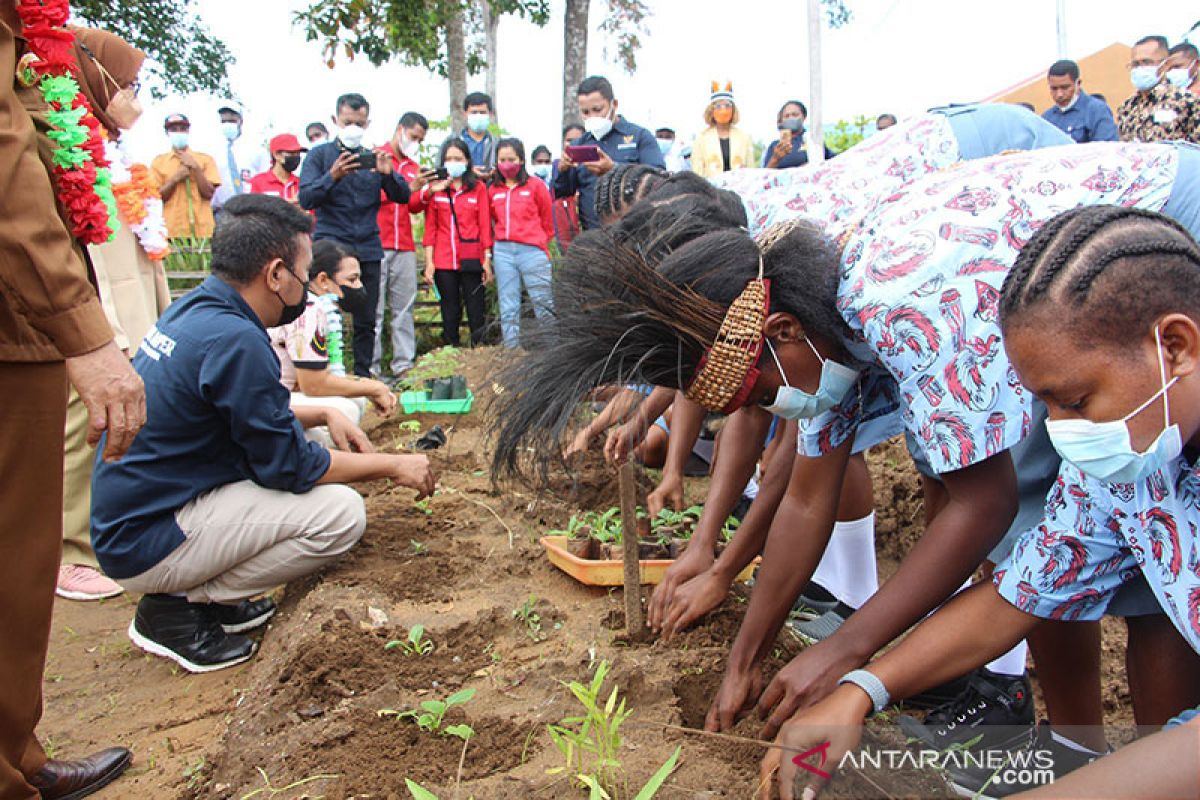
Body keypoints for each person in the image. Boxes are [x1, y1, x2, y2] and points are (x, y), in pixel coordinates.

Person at [495, 137, 1200, 790]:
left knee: (1137, 559)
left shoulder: (908, 303)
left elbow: (985, 504)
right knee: (1107, 523)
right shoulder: (823, 327)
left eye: (765, 395)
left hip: (1141, 242)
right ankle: (1093, 746)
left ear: (782, 334)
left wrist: (847, 651)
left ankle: (1081, 737)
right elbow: (814, 500)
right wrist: (796, 666)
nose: (1053, 426)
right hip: (1082, 314)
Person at [759, 206, 1200, 800]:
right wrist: (860, 690)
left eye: (1074, 399)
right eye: (1047, 404)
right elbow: (1023, 592)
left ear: (1175, 345)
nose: (1060, 429)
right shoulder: (1125, 470)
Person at [91, 194, 435, 674]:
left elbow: (243, 409)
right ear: (276, 274)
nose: (305, 286)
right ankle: (177, 606)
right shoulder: (238, 339)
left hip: (140, 512)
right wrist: (394, 465)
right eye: (301, 272)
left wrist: (320, 415)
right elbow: (292, 468)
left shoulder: (197, 311)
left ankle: (206, 597)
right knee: (339, 514)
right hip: (148, 538)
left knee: (315, 438)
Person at [1, 6, 147, 797]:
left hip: (32, 321)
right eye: (125, 88)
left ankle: (17, 754)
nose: (133, 103)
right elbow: (9, 171)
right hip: (19, 321)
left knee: (18, 570)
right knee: (15, 561)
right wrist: (83, 333)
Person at [59, 26, 170, 602]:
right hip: (95, 321)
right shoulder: (66, 150)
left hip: (131, 314)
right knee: (82, 425)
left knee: (112, 428)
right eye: (126, 84)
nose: (135, 96)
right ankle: (68, 550)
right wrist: (102, 331)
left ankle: (96, 537)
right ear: (91, 78)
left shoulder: (118, 154)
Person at [299, 92, 410, 378]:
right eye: (348, 121)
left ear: (367, 123)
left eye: (359, 123)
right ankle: (318, 373)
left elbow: (403, 197)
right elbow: (307, 198)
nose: (353, 128)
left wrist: (387, 175)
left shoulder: (374, 158)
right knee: (319, 312)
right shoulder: (319, 156)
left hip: (368, 247)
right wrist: (332, 176)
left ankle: (363, 375)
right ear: (336, 120)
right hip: (329, 246)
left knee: (366, 317)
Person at [269, 239, 397, 445]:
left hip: (285, 395)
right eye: (352, 279)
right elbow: (313, 385)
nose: (359, 287)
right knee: (345, 409)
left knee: (356, 399)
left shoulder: (312, 304)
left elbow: (320, 376)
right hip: (270, 401)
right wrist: (372, 388)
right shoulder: (309, 310)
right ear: (323, 280)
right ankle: (316, 452)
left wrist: (367, 385)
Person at [554, 75, 665, 230]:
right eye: (585, 112)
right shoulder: (579, 144)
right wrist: (563, 170)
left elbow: (659, 180)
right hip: (594, 237)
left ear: (614, 104)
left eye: (597, 110)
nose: (592, 116)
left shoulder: (640, 136)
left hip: (635, 231)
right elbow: (563, 193)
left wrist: (614, 170)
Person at [416, 138, 492, 347]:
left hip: (471, 258)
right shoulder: (437, 189)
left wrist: (486, 259)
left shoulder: (478, 189)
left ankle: (479, 352)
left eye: (458, 158)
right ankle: (451, 352)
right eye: (448, 158)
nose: (453, 162)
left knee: (476, 308)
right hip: (443, 260)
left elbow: (485, 226)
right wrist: (429, 263)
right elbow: (430, 228)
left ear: (467, 160)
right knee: (450, 310)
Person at [373, 111, 430, 382]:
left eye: (420, 139)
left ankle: (403, 365)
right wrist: (407, 186)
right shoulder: (377, 158)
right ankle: (371, 368)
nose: (415, 142)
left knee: (404, 308)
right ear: (400, 130)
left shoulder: (412, 165)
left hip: (404, 244)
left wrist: (425, 191)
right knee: (374, 309)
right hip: (377, 241)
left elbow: (413, 205)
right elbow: (374, 196)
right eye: (413, 136)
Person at [489, 137, 554, 349]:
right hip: (503, 252)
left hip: (532, 251)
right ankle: (513, 350)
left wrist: (540, 243)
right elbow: (491, 219)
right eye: (502, 159)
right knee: (508, 304)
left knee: (543, 301)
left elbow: (547, 219)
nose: (507, 164)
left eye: (512, 159)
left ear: (521, 160)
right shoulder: (493, 190)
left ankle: (554, 350)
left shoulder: (535, 186)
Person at [1117, 34, 1200, 143]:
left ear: (1165, 65)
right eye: (1135, 64)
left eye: (1147, 62)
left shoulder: (1187, 102)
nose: (1140, 68)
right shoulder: (1126, 108)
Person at [151, 113, 221, 240]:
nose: (179, 132)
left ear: (188, 131)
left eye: (182, 129)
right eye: (174, 130)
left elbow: (209, 193)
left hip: (202, 231)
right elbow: (157, 197)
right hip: (173, 231)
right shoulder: (159, 162)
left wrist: (195, 167)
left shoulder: (205, 159)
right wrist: (175, 178)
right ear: (167, 133)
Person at [1041, 58, 1119, 143]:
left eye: (1065, 87)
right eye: (1054, 88)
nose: (1059, 94)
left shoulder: (1097, 110)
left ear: (1078, 84)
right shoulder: (1047, 118)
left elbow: (1106, 148)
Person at [212, 100, 269, 213]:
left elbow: (266, 178)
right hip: (223, 210)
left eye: (232, 121)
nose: (227, 124)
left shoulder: (256, 149)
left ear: (240, 121)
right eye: (224, 121)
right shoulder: (214, 151)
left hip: (253, 209)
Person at [690, 82, 755, 178]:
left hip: (738, 188)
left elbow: (751, 169)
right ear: (711, 111)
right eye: (718, 106)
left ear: (733, 110)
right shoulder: (701, 138)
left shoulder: (744, 137)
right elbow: (697, 172)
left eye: (727, 106)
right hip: (710, 189)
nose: (723, 110)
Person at [761, 100, 835, 169]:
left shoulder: (812, 141)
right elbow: (764, 176)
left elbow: (831, 163)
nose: (791, 118)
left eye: (795, 115)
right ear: (782, 120)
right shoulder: (775, 146)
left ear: (804, 117)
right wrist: (775, 159)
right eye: (786, 116)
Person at [443, 91, 496, 179]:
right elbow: (440, 168)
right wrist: (468, 170)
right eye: (474, 112)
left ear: (490, 114)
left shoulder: (496, 143)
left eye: (482, 112)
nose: (478, 116)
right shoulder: (451, 141)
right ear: (465, 114)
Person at [551, 123, 584, 248]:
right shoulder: (557, 165)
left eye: (577, 140)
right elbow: (556, 192)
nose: (572, 144)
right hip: (567, 220)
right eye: (569, 140)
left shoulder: (594, 163)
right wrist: (563, 171)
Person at [249, 133, 307, 203]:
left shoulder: (302, 184)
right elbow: (250, 210)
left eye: (298, 154)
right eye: (291, 153)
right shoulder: (257, 182)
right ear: (276, 155)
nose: (296, 157)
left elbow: (311, 212)